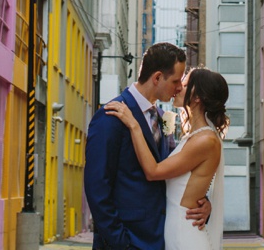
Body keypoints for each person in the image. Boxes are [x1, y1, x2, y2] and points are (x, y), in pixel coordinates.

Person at [85, 44, 213, 250]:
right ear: (157, 78)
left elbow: (176, 171)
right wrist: (120, 243)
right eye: (175, 81)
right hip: (127, 241)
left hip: (161, 238)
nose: (179, 88)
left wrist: (202, 203)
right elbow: (97, 188)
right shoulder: (110, 116)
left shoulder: (165, 120)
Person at [103, 67, 228, 250]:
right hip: (174, 232)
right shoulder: (194, 136)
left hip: (185, 236)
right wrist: (205, 202)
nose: (178, 88)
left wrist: (134, 125)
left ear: (197, 97)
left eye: (184, 84)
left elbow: (153, 172)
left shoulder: (206, 140)